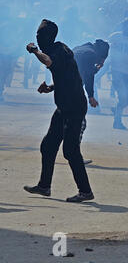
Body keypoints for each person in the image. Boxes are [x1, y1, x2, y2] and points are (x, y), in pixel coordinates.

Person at [23, 19, 94, 203]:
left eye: (40, 36)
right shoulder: (60, 50)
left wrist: (34, 51)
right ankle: (44, 186)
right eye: (37, 36)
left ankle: (85, 191)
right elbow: (68, 77)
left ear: (48, 37)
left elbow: (48, 61)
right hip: (64, 106)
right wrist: (51, 88)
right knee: (48, 146)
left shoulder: (56, 52)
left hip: (74, 107)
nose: (38, 39)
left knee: (70, 150)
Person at [73, 39, 110, 164]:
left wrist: (97, 68)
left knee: (62, 124)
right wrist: (91, 96)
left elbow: (86, 70)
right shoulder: (91, 54)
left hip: (66, 89)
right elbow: (89, 75)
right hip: (73, 91)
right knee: (80, 125)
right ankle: (75, 157)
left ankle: (49, 150)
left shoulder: (81, 48)